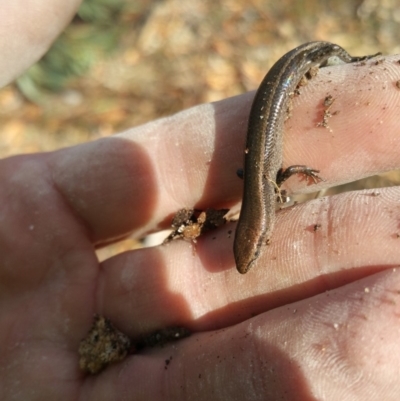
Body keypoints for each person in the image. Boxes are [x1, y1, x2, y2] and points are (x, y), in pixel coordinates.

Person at [1, 2, 400, 400]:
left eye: (257, 247)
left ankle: (334, 57)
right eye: (256, 248)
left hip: (284, 86)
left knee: (304, 67)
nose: (257, 250)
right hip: (270, 118)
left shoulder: (262, 191)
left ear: (258, 234)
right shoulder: (262, 190)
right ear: (254, 233)